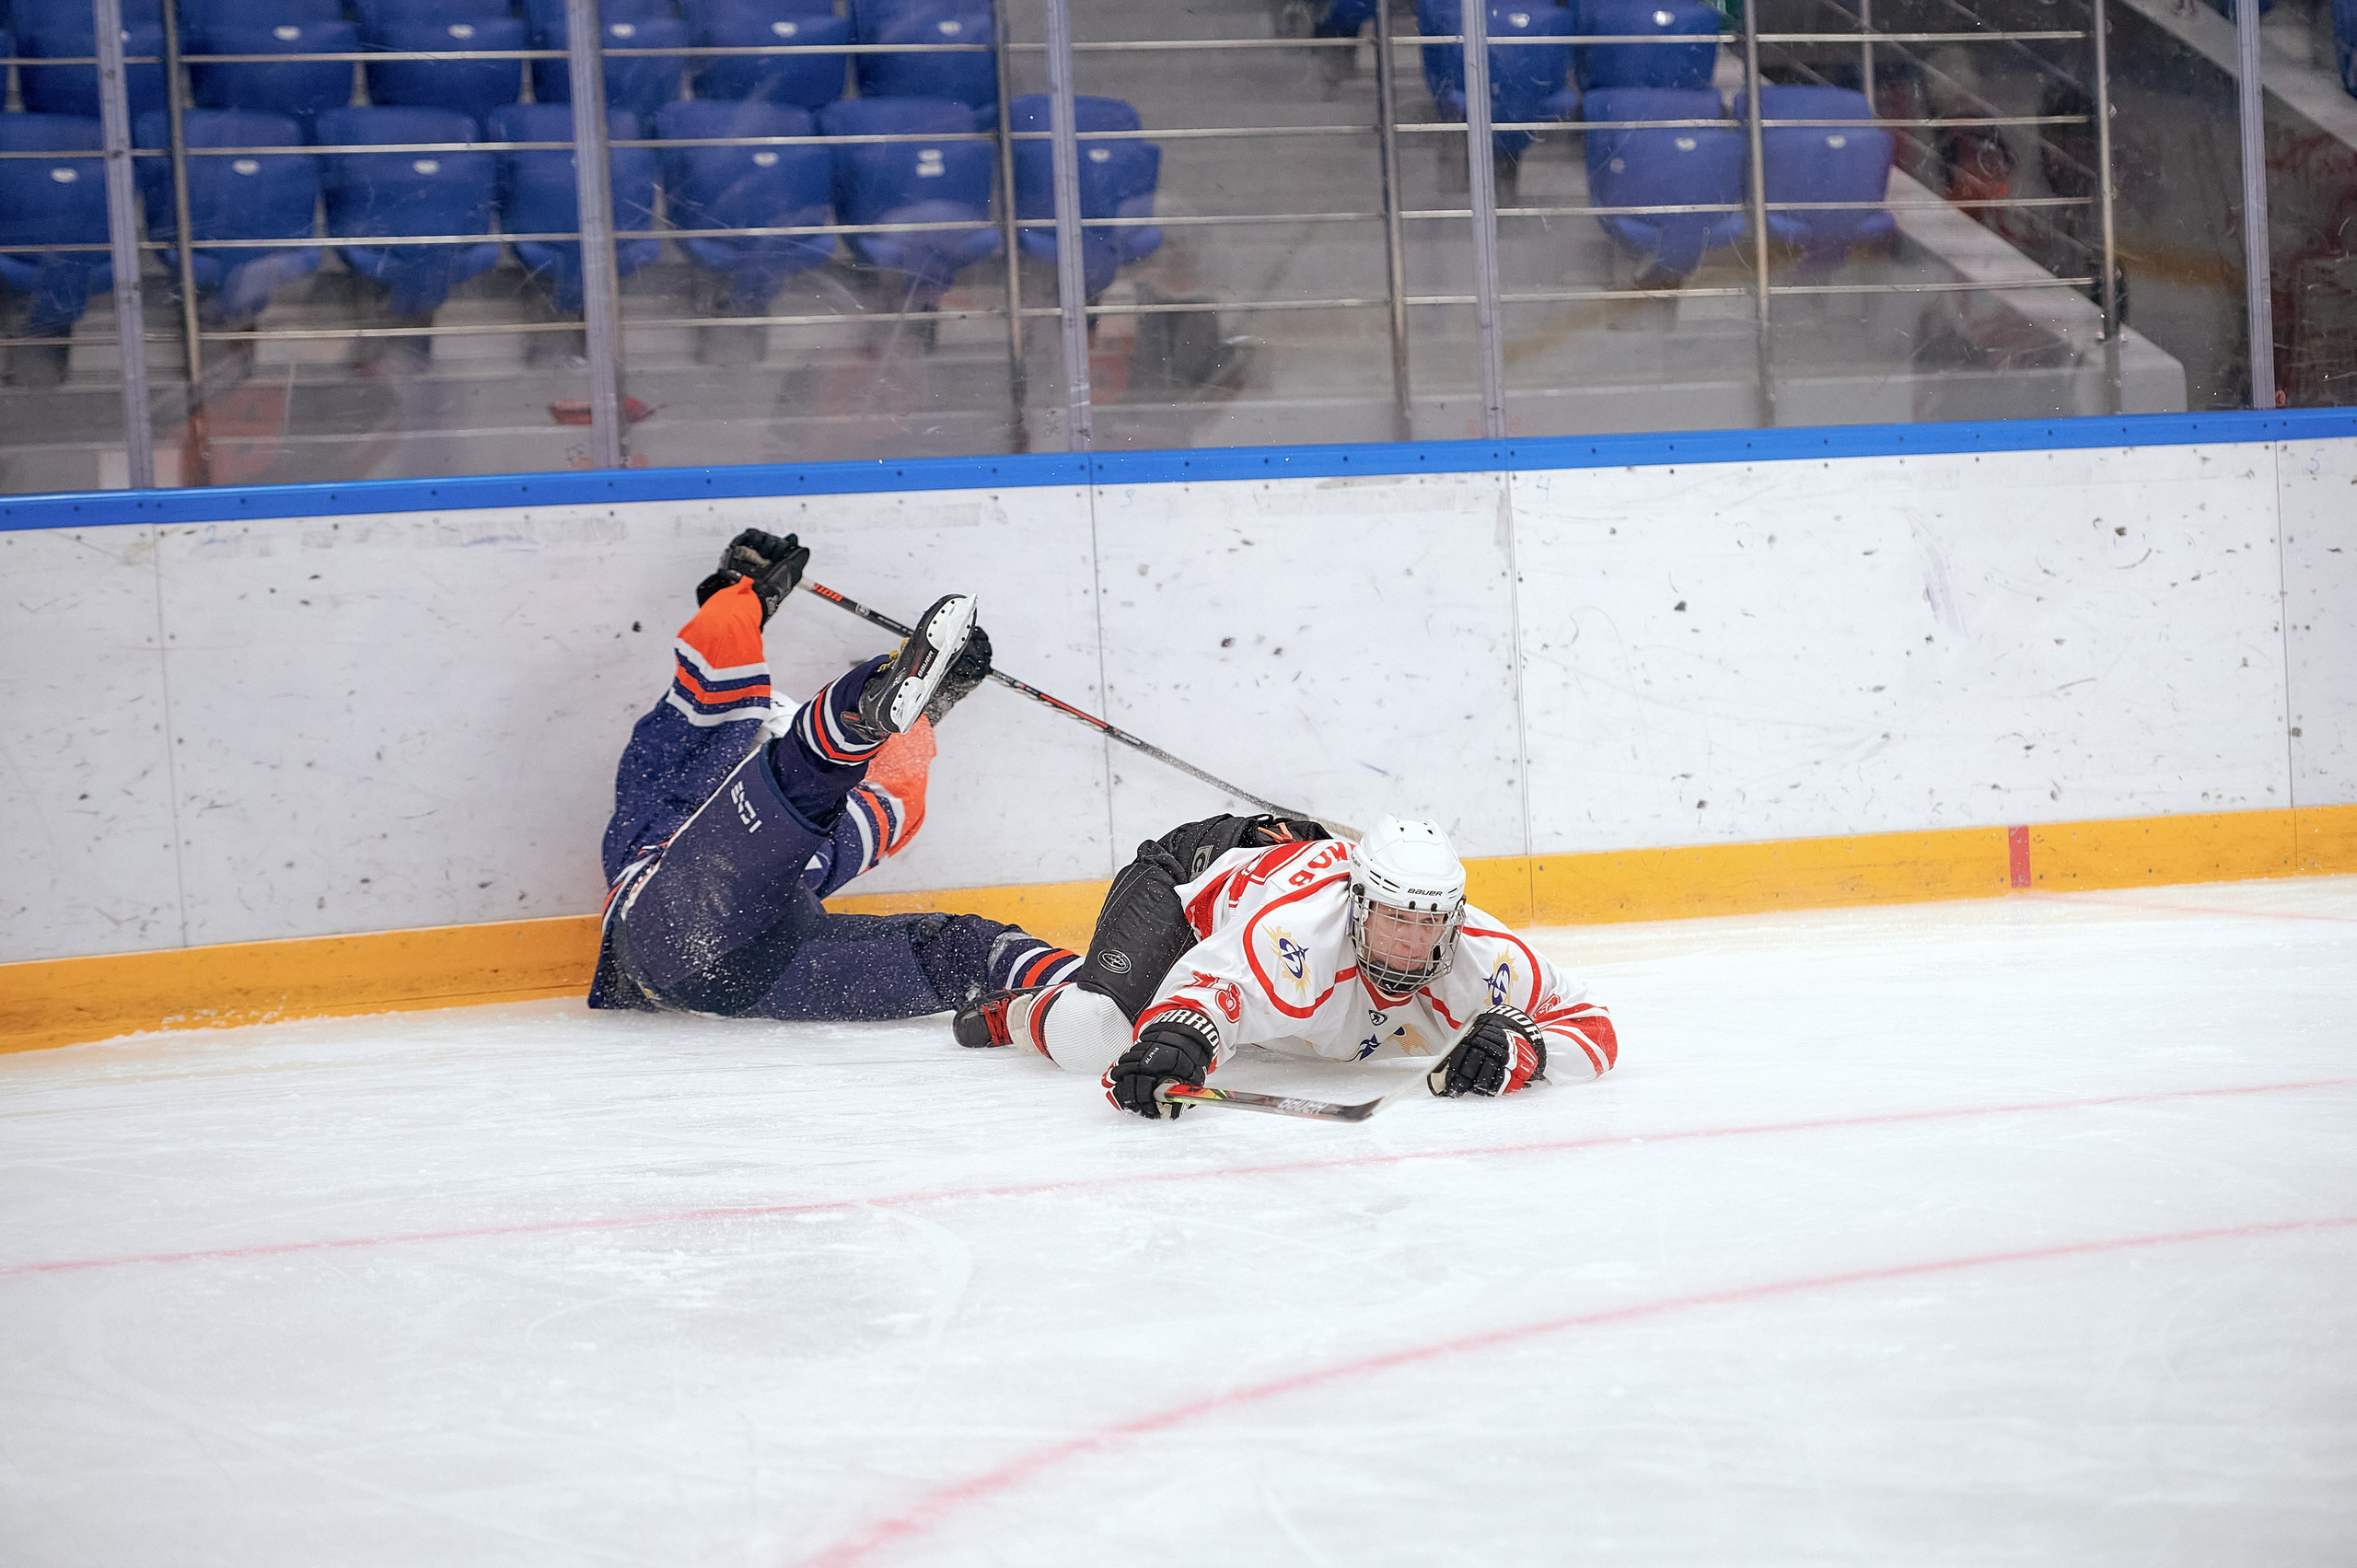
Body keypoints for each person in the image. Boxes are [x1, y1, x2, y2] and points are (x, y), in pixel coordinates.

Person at [590, 529, 1081, 1022]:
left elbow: (890, 793)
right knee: (805, 781)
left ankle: (1101, 994)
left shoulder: (812, 822)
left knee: (964, 952)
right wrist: (740, 592)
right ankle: (861, 705)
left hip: (762, 972)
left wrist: (931, 704)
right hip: (669, 918)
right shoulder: (683, 785)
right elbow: (720, 665)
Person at [954, 813, 1619, 1118]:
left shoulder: (1483, 954)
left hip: (1283, 870)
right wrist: (1178, 1037)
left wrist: (1529, 1049)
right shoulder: (1301, 935)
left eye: (1428, 924)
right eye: (1394, 919)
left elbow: (1593, 1025)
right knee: (1094, 1031)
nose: (1412, 946)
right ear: (1358, 906)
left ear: (1455, 917)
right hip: (1194, 880)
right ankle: (1030, 999)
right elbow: (1211, 990)